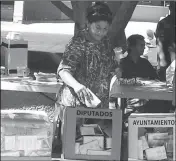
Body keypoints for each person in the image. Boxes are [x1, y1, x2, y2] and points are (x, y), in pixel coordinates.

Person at [53, 2, 118, 156]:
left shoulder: (106, 43)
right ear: (88, 23)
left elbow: (110, 66)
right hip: (75, 106)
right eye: (97, 28)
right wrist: (77, 86)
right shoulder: (78, 42)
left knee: (95, 151)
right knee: (72, 152)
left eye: (105, 29)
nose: (101, 33)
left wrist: (116, 69)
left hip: (98, 107)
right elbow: (63, 70)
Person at [155, 1, 175, 81]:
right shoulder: (163, 23)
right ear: (170, 8)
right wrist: (162, 61)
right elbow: (160, 43)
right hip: (167, 63)